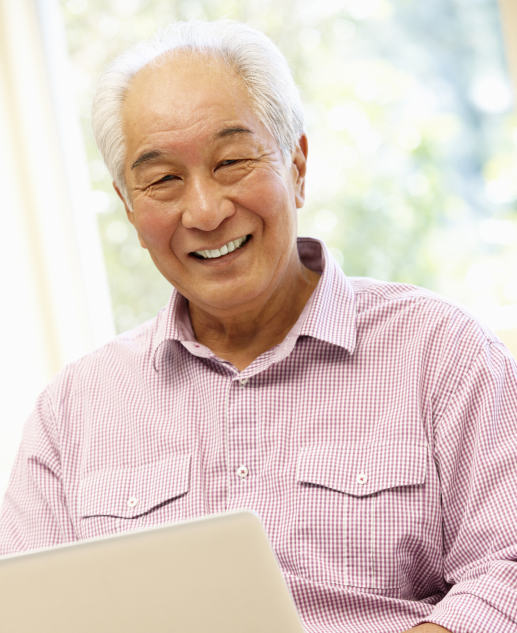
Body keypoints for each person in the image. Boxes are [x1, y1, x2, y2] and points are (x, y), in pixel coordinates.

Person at [1, 19, 517, 633]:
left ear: (297, 165)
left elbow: (505, 567)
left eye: (232, 161)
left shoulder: (443, 354)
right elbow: (26, 610)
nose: (206, 210)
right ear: (130, 207)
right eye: (163, 178)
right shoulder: (71, 413)